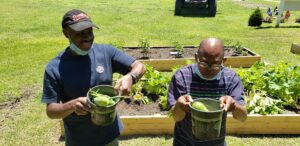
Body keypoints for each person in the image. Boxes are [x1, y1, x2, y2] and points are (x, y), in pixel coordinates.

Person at [41, 9, 145, 146]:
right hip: (79, 139)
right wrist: (73, 105)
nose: (88, 37)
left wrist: (131, 77)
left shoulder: (105, 52)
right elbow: (51, 111)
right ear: (66, 33)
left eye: (90, 31)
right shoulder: (55, 68)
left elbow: (139, 66)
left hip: (110, 134)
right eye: (80, 33)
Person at [167, 38, 247, 146]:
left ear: (224, 61)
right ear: (196, 58)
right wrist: (179, 105)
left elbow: (242, 117)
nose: (209, 69)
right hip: (184, 142)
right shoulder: (181, 76)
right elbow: (176, 117)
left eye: (215, 64)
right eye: (204, 63)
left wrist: (234, 106)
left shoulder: (231, 78)